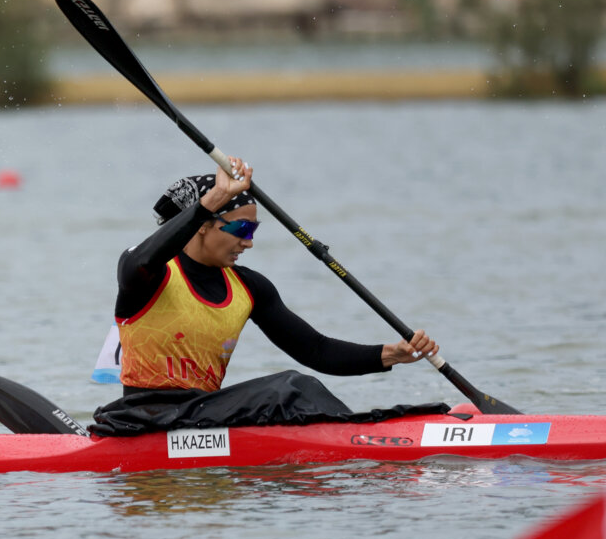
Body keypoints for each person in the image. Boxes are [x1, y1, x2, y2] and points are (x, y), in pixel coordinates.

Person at [93, 156, 441, 434]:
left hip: (201, 418)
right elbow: (141, 259)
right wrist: (212, 198)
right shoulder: (150, 274)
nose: (249, 241)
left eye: (254, 229)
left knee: (293, 386)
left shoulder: (249, 287)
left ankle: (356, 435)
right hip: (143, 420)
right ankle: (363, 440)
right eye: (241, 228)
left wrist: (390, 354)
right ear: (202, 224)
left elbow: (315, 349)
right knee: (288, 387)